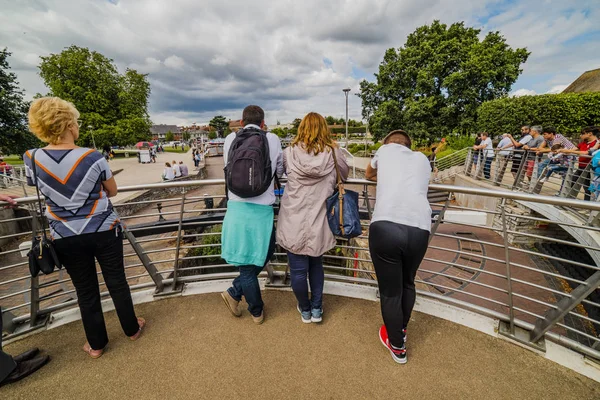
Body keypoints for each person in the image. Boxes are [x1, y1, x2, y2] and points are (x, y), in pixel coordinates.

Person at [24, 97, 145, 359]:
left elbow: (41, 188)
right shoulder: (93, 156)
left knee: (86, 289)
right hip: (103, 228)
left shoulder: (31, 157)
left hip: (65, 234)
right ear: (68, 124)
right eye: (76, 122)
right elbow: (112, 190)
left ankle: (96, 345)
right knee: (117, 281)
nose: (77, 126)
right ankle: (132, 329)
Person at [365, 129, 431, 364]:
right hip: (420, 227)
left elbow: (368, 173)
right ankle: (400, 330)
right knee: (407, 282)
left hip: (386, 225)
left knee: (390, 291)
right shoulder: (423, 159)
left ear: (387, 144)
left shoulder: (383, 150)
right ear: (409, 146)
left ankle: (397, 346)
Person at [276, 112, 348, 324]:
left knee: (298, 271)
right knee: (317, 266)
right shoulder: (334, 153)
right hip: (321, 219)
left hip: (293, 220)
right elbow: (344, 175)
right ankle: (317, 309)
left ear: (301, 129)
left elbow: (281, 173)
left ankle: (305, 309)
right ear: (324, 129)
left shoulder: (288, 153)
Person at [220, 105, 283, 324]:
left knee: (258, 257)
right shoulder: (272, 139)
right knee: (252, 263)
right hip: (263, 211)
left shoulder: (230, 139)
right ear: (263, 123)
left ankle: (235, 292)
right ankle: (256, 310)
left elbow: (227, 168)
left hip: (236, 209)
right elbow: (281, 170)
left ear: (241, 122)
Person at [559, 126, 599, 200]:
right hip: (581, 167)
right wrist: (563, 150)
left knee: (587, 188)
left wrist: (570, 151)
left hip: (589, 169)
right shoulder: (584, 143)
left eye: (582, 134)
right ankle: (569, 201)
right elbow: (574, 149)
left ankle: (587, 205)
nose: (581, 135)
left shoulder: (597, 143)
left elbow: (587, 153)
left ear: (590, 134)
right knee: (571, 182)